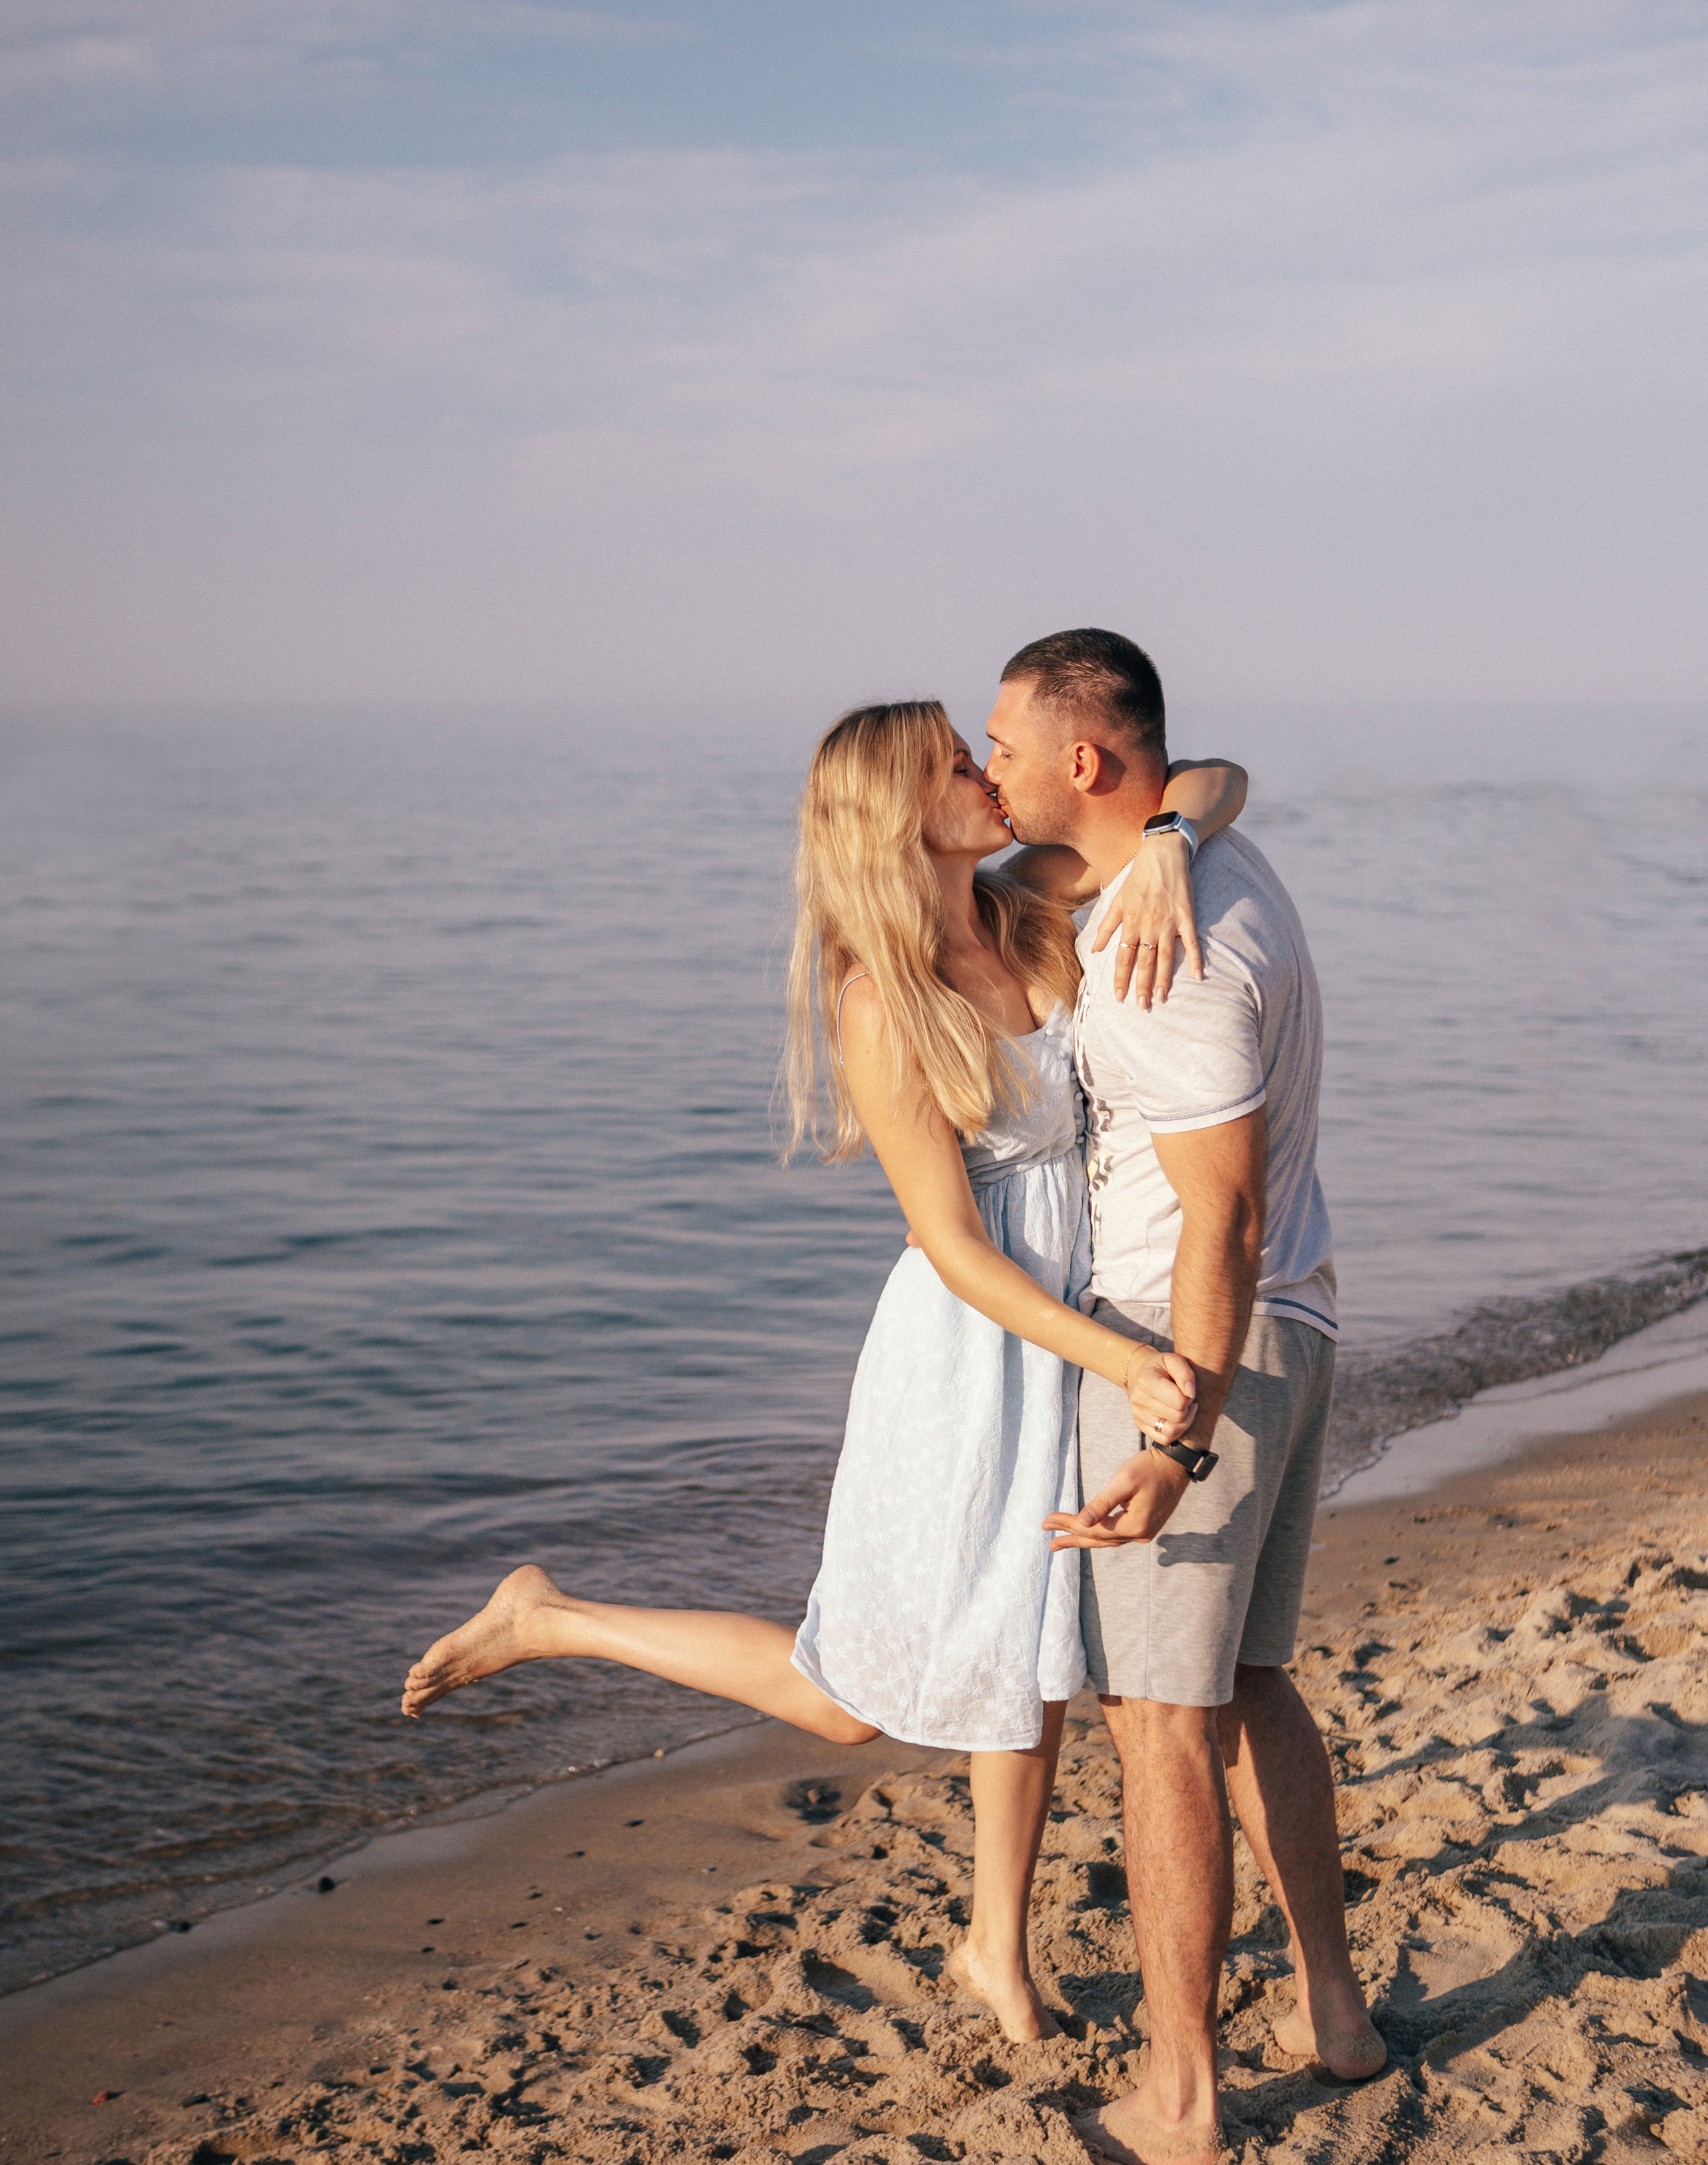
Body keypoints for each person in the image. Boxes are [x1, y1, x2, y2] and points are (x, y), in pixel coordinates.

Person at [402, 697, 1246, 2045]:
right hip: (970, 1354)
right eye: (956, 766)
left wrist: (1162, 847)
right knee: (850, 1706)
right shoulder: (879, 1000)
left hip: (1065, 1326)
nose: (988, 777)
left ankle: (995, 1949)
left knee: (1025, 1647)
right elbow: (953, 1248)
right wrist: (1125, 1357)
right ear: (896, 815)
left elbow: (1217, 776)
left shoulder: (1031, 900)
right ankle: (553, 1618)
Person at [983, 627, 1384, 2165]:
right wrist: (1164, 829)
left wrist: (1170, 1437)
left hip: (1187, 1336)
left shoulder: (1159, 958)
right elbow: (1212, 778)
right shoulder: (1198, 859)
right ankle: (1334, 2014)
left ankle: (1181, 2096)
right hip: (1291, 1321)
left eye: (1005, 745)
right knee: (1245, 1687)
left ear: (1083, 759)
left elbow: (1214, 1217)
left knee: (1157, 1721)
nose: (991, 768)